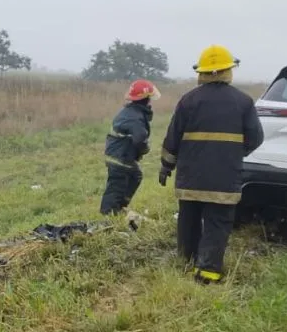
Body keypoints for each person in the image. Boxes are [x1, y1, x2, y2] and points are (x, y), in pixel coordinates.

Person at [158, 45, 264, 284]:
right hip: (224, 179)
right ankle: (208, 272)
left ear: (202, 72)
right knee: (218, 224)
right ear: (228, 71)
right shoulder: (243, 102)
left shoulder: (188, 100)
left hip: (191, 178)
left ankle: (186, 261)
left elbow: (172, 138)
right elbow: (256, 138)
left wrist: (166, 166)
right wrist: (235, 153)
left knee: (188, 220)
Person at [100, 79, 160, 215]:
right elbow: (140, 139)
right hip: (120, 157)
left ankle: (120, 207)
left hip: (121, 154)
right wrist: (145, 149)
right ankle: (108, 214)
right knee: (116, 186)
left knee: (136, 176)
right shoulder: (135, 117)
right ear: (146, 99)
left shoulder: (132, 112)